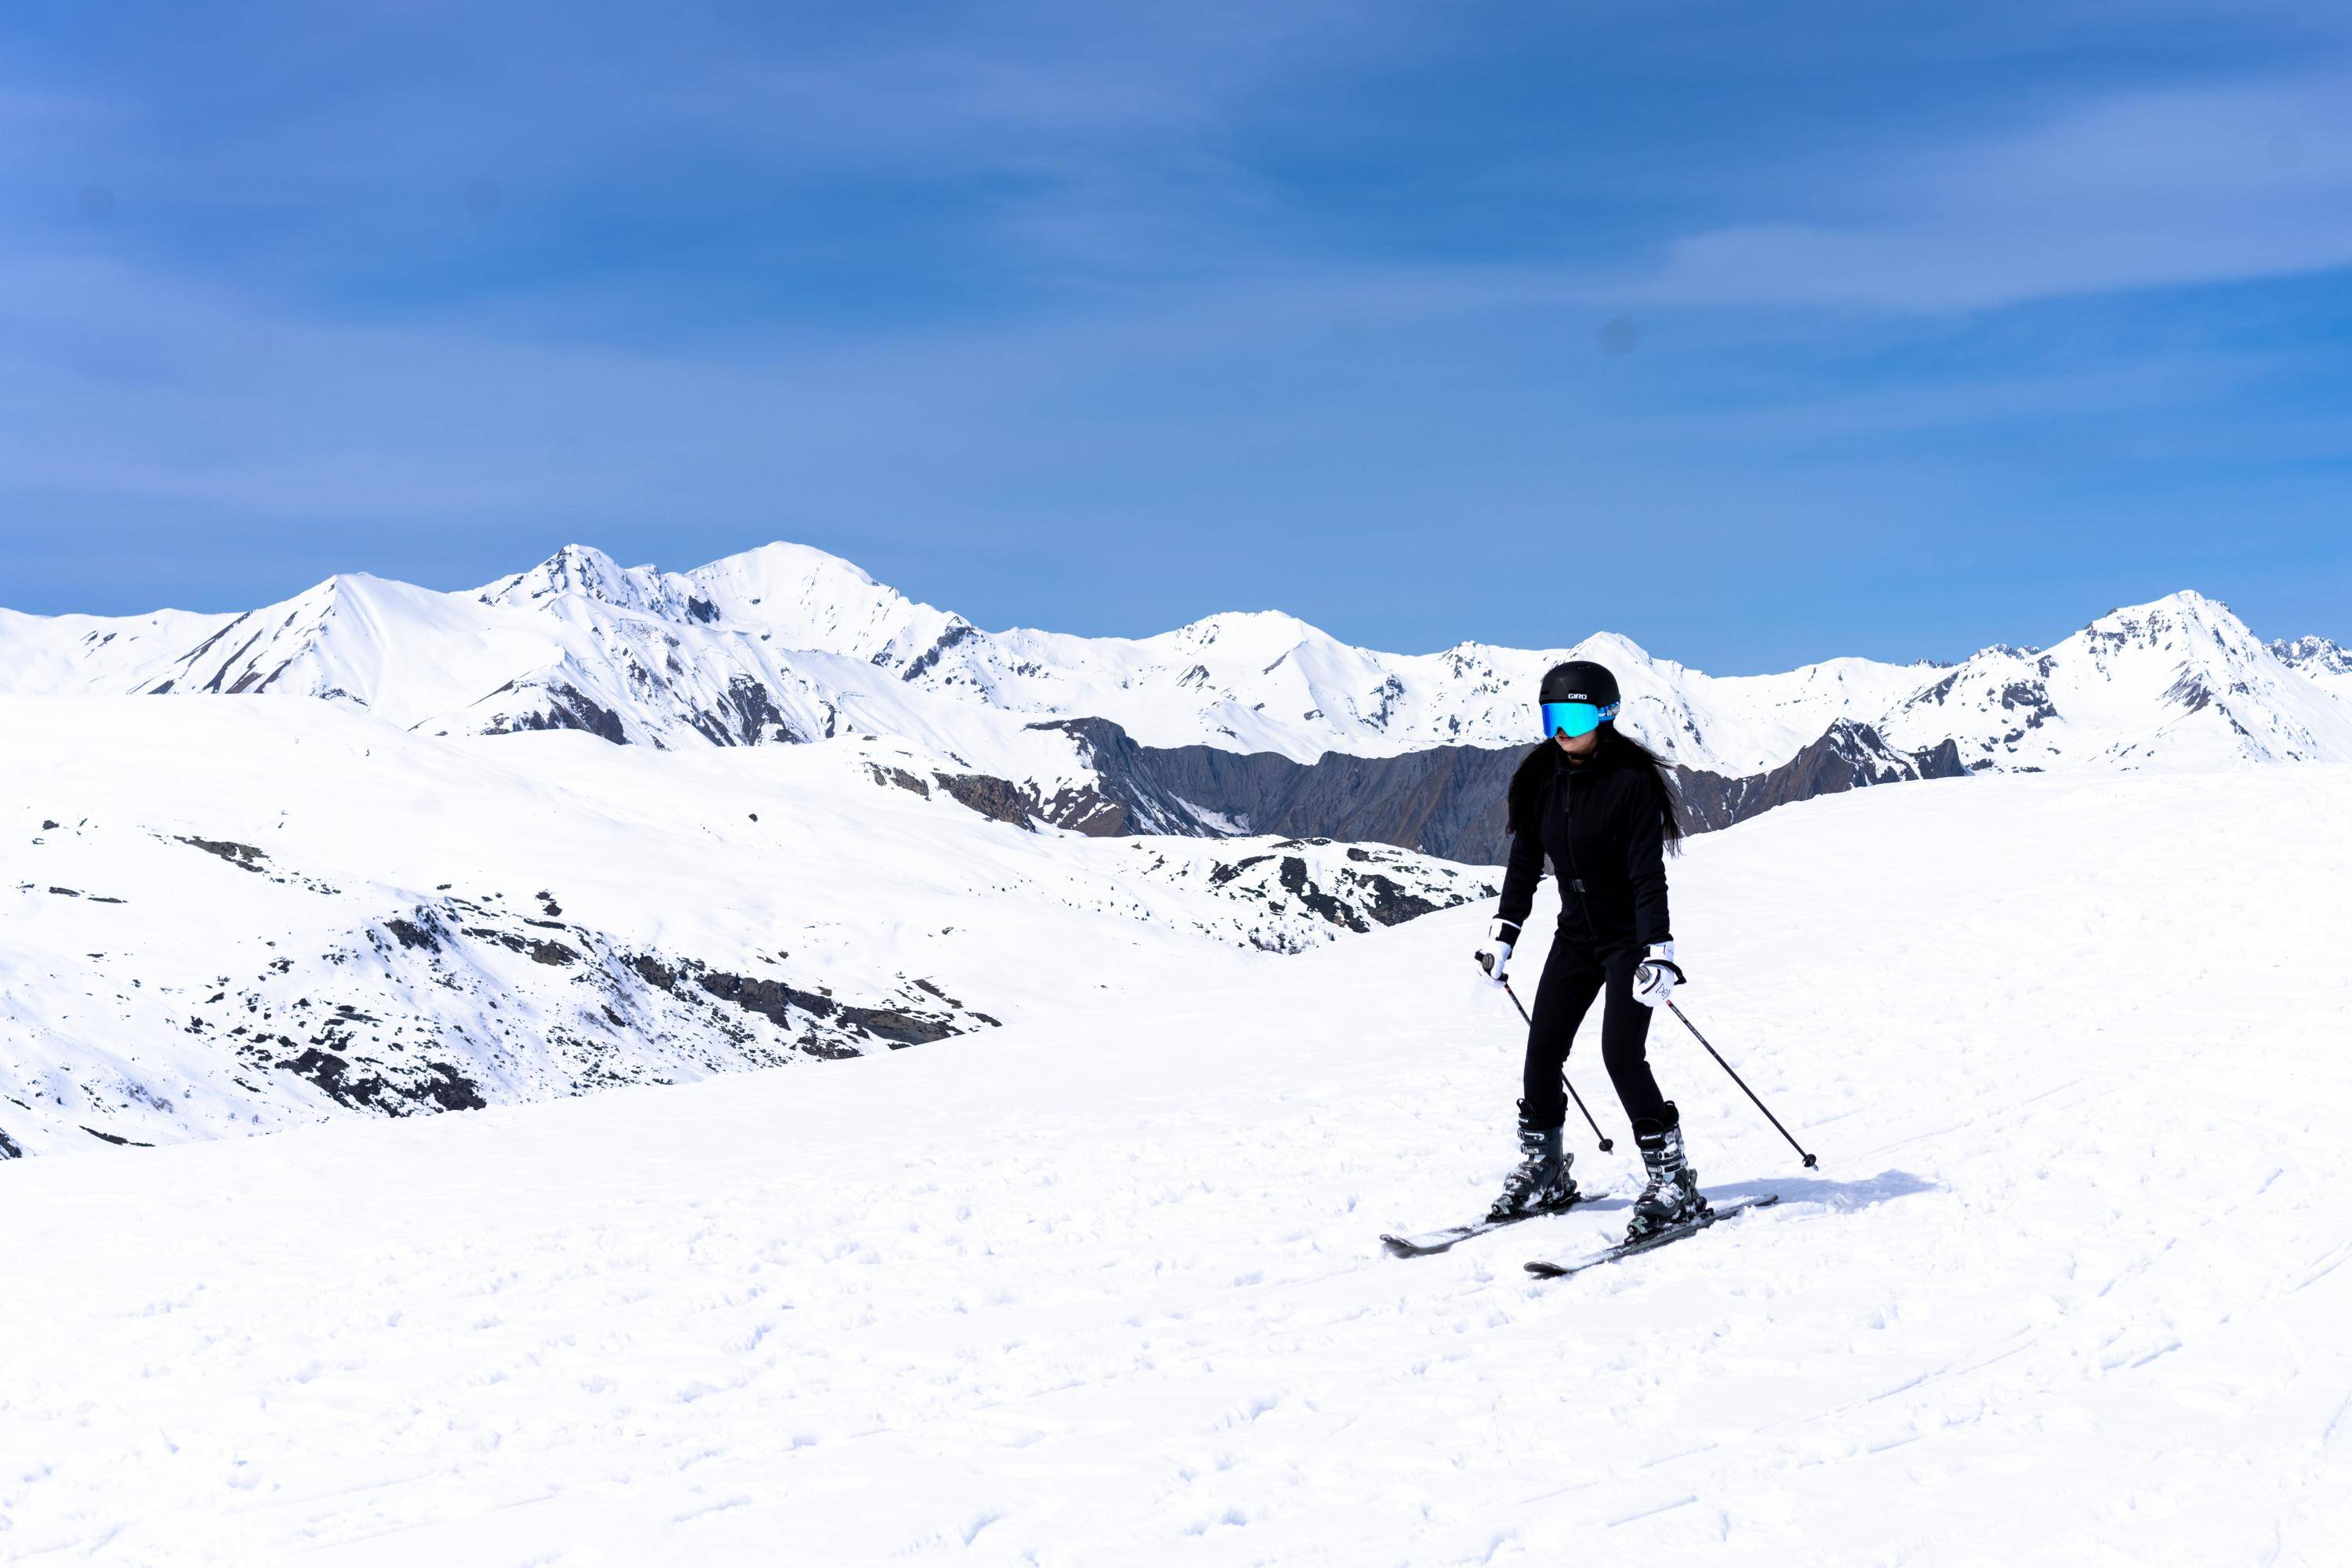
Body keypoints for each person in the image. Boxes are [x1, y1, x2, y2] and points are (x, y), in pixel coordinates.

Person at [1472, 659, 1698, 1240]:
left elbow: (1648, 875)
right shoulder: (1539, 777)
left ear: (1604, 715)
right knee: (1542, 1050)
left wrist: (1659, 952)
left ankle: (1673, 1182)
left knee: (1621, 1056)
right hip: (1574, 935)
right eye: (1551, 715)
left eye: (1571, 715)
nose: (1560, 729)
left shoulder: (1631, 782)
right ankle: (1546, 1172)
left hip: (1627, 940)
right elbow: (1524, 865)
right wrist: (1504, 935)